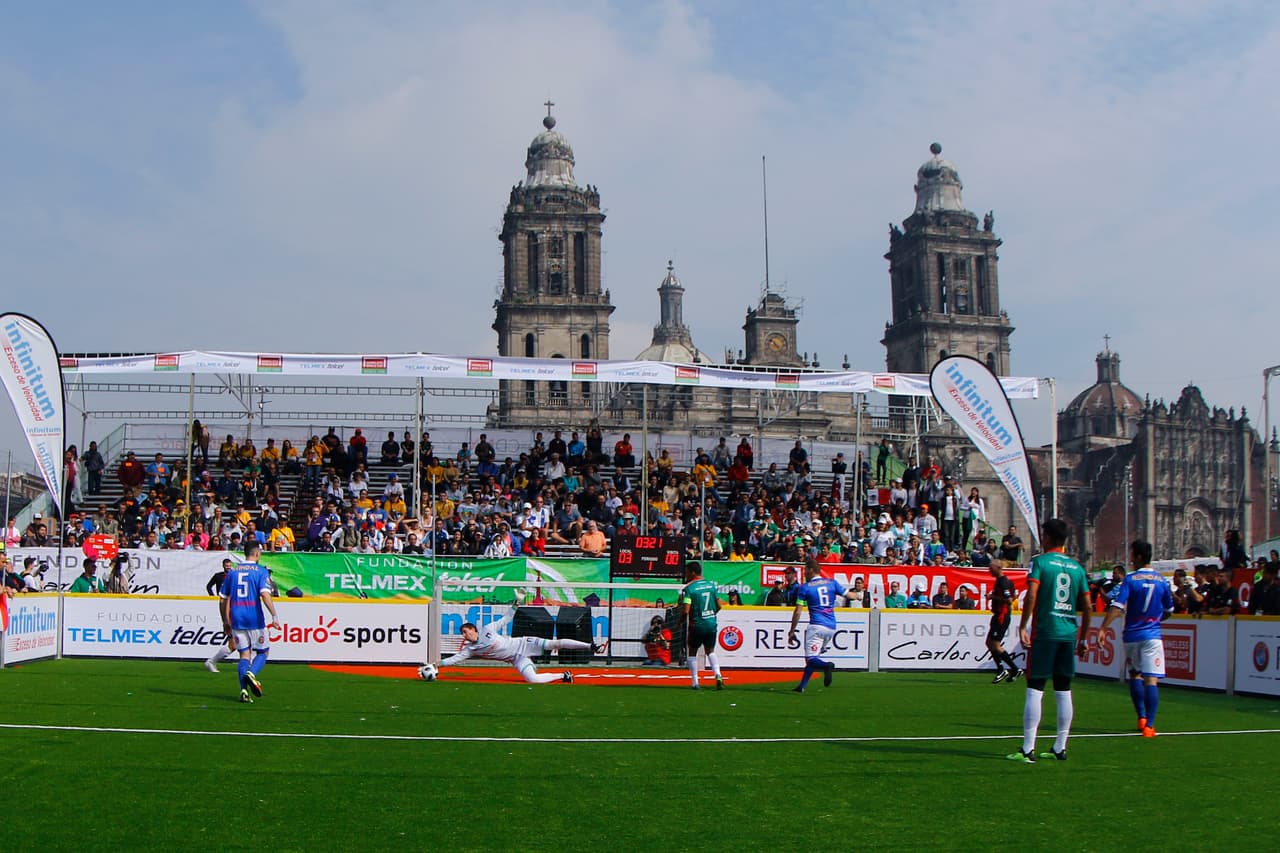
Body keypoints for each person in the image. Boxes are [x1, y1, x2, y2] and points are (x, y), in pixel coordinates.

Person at [1008, 518, 1090, 764]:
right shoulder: (1077, 568)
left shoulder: (1040, 562)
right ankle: (1060, 747)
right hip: (1067, 634)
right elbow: (1087, 605)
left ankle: (1027, 748)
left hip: (1045, 632)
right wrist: (1083, 637)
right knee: (1064, 690)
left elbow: (1032, 594)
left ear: (1048, 538)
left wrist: (1023, 625)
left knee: (1035, 687)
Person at [432, 597, 605, 684]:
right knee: (533, 680)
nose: (464, 635)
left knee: (555, 643)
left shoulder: (488, 629)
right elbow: (454, 659)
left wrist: (515, 605)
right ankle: (564, 675)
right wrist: (436, 665)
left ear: (473, 629)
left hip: (524, 643)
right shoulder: (471, 649)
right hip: (516, 658)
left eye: (465, 631)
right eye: (462, 633)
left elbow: (506, 619)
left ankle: (590, 645)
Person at [1097, 540, 1173, 738]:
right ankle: (1150, 725)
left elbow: (1117, 606)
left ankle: (1140, 716)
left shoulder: (1130, 580)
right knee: (1151, 679)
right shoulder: (1162, 581)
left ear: (1139, 556)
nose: (1130, 559)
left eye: (1132, 555)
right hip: (1152, 635)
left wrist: (1104, 628)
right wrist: (1156, 619)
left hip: (1131, 635)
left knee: (1135, 675)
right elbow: (1169, 610)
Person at [220, 543, 281, 704]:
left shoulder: (232, 573)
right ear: (257, 553)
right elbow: (265, 595)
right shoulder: (261, 571)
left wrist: (225, 621)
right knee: (263, 653)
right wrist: (274, 616)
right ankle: (252, 673)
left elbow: (223, 599)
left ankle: (244, 691)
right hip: (254, 618)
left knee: (244, 655)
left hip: (236, 618)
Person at [788, 559, 847, 693]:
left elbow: (798, 611)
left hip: (816, 626)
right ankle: (802, 686)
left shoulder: (805, 587)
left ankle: (827, 666)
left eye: (805, 569)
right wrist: (859, 595)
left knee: (810, 659)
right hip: (831, 628)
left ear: (810, 570)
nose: (804, 572)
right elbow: (850, 595)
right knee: (813, 657)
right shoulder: (832, 583)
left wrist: (792, 630)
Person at [681, 562, 724, 690]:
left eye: (687, 572)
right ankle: (718, 675)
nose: (686, 574)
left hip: (697, 625)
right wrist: (710, 615)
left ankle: (695, 682)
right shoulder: (711, 586)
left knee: (692, 651)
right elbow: (719, 606)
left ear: (693, 573)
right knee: (710, 650)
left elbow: (685, 610)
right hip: (711, 624)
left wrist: (679, 623)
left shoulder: (689, 589)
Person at [987, 559, 1021, 683]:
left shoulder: (1003, 582)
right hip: (998, 615)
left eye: (991, 568)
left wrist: (992, 597)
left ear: (998, 567)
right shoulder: (1003, 582)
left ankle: (1013, 668)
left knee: (995, 644)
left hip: (1002, 615)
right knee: (989, 642)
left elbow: (1009, 600)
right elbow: (1014, 595)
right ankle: (1002, 669)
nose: (989, 570)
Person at [204, 557, 238, 673]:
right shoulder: (221, 579)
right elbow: (221, 599)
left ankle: (248, 666)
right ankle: (211, 661)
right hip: (232, 615)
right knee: (234, 644)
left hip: (238, 614)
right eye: (227, 565)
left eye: (230, 565)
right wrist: (225, 620)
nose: (229, 567)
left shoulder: (235, 582)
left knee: (242, 643)